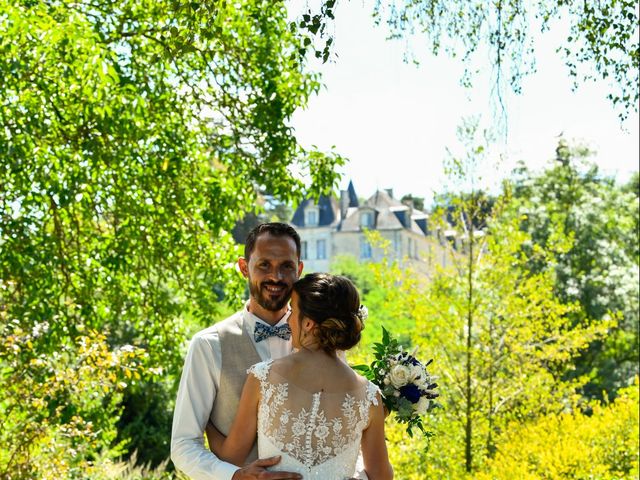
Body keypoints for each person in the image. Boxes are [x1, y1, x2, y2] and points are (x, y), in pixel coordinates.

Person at [207, 273, 394, 479]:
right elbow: (381, 476)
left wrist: (206, 420)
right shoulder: (370, 397)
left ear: (308, 324)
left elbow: (231, 456)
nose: (287, 319)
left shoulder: (263, 378)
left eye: (292, 310)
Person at [171, 222, 305, 480]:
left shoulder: (322, 341)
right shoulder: (209, 345)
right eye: (264, 265)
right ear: (244, 267)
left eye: (286, 266)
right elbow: (183, 445)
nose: (275, 277)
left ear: (299, 270)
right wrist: (233, 476)